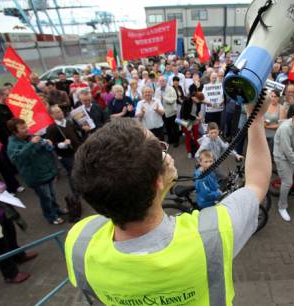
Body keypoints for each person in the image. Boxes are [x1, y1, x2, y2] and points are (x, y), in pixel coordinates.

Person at [64, 95, 271, 305]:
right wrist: (256, 118)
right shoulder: (213, 233)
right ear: (157, 182)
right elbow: (256, 183)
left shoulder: (78, 243)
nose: (168, 155)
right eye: (159, 150)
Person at [0, 169, 38, 283]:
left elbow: (1, 185)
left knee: (11, 236)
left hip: (2, 211)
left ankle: (18, 256)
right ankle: (10, 274)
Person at [6, 118, 66, 225]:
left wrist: (48, 143)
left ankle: (57, 210)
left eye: (26, 126)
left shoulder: (31, 136)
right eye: (23, 128)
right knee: (45, 198)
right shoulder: (12, 145)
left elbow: (46, 149)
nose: (26, 129)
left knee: (52, 194)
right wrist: (31, 144)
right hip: (35, 177)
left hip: (47, 171)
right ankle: (51, 217)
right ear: (15, 131)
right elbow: (17, 159)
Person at [46, 105, 88, 221]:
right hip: (65, 155)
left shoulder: (69, 122)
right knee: (72, 173)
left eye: (60, 111)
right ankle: (76, 194)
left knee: (80, 169)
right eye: (57, 112)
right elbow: (51, 144)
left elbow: (76, 133)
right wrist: (62, 144)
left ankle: (83, 188)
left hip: (77, 149)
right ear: (52, 115)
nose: (60, 113)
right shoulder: (52, 128)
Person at [273, 109, 294, 222]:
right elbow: (286, 150)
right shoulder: (285, 128)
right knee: (287, 182)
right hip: (281, 157)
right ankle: (282, 207)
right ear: (293, 117)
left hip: (292, 156)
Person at [155, 76, 179, 146]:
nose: (161, 82)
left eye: (163, 81)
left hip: (171, 111)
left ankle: (176, 140)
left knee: (174, 127)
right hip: (162, 112)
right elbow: (156, 100)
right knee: (167, 127)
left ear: (166, 81)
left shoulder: (171, 89)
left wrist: (165, 98)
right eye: (160, 81)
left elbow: (174, 99)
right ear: (158, 82)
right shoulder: (157, 90)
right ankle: (170, 139)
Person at [180, 92, 203, 159]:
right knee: (188, 137)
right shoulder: (186, 101)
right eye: (198, 100)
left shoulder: (198, 102)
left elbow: (198, 111)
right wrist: (196, 118)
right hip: (187, 121)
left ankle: (198, 150)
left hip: (195, 121)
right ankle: (189, 151)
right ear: (194, 98)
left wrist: (200, 115)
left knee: (196, 136)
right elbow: (185, 114)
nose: (199, 102)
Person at [264, 90, 286, 154]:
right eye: (272, 96)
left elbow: (281, 125)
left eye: (275, 97)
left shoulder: (282, 108)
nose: (273, 98)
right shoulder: (265, 105)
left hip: (273, 136)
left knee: (268, 154)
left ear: (278, 98)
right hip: (262, 133)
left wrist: (267, 126)